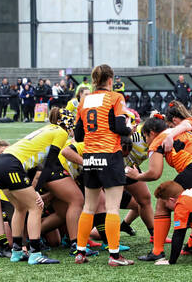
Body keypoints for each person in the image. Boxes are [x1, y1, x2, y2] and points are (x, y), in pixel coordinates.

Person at [126, 115, 192, 261]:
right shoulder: (182, 132)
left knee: (164, 200)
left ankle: (157, 251)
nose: (146, 142)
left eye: (145, 137)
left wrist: (137, 176)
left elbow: (155, 174)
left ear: (152, 132)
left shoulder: (157, 141)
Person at [0, 107, 74, 265]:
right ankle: (35, 253)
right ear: (67, 123)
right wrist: (36, 191)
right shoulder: (61, 132)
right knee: (35, 207)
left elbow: (35, 165)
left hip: (0, 163)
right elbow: (49, 165)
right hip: (11, 164)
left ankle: (17, 252)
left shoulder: (47, 128)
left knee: (20, 207)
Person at [74, 64, 134, 266]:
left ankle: (80, 252)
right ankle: (115, 256)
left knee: (88, 207)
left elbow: (79, 135)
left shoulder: (84, 100)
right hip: (109, 155)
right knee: (112, 208)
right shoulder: (116, 97)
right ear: (111, 80)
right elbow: (119, 127)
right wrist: (129, 128)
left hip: (90, 157)